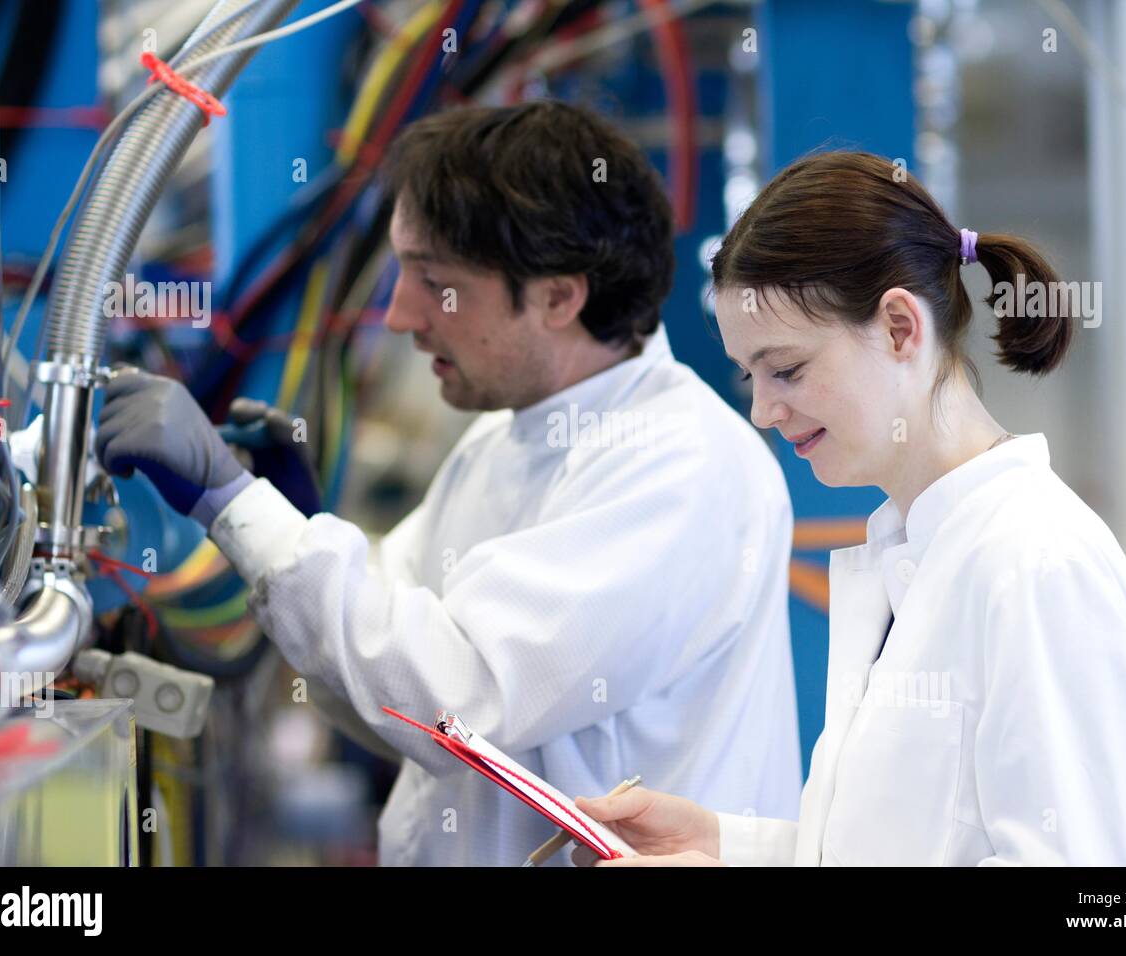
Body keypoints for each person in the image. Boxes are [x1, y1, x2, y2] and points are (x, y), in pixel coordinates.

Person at [94, 101, 802, 866]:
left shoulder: (681, 463)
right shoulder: (498, 442)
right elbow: (386, 696)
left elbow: (457, 697)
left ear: (561, 297)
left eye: (435, 282)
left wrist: (232, 503)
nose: (400, 314)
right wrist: (291, 527)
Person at [573, 151, 1126, 866]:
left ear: (898, 328)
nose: (764, 411)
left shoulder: (1036, 560)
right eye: (749, 377)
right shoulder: (911, 550)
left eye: (787, 370)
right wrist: (726, 848)